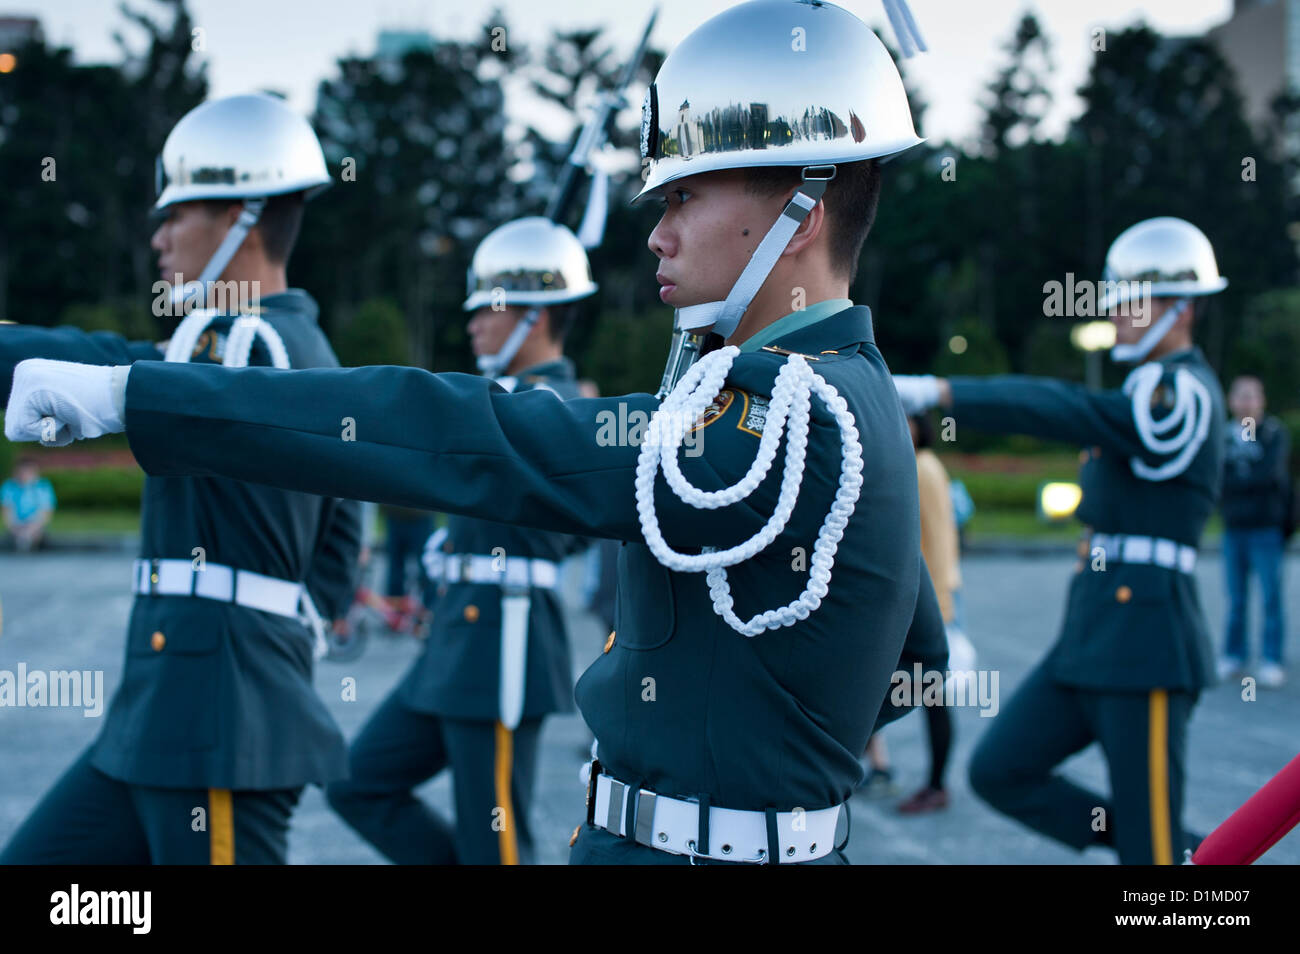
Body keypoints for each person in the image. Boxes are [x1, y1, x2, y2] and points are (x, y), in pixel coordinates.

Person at [6, 0, 947, 866]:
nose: (658, 234)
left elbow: (492, 439)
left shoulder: (792, 412)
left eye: (684, 198)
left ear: (801, 213)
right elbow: (916, 661)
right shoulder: (847, 405)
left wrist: (141, 399)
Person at [0, 93, 360, 865]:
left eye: (178, 215)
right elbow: (342, 538)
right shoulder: (284, 348)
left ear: (245, 215)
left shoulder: (252, 346)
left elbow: (113, 360)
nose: (159, 238)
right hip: (162, 719)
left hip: (221, 722)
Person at [896, 216, 1227, 864]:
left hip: (1149, 636)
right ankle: (1185, 850)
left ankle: (1170, 858)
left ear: (1181, 308)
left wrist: (943, 391)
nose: (1119, 317)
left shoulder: (1183, 392)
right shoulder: (1144, 387)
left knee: (1152, 860)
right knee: (1000, 770)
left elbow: (1066, 409)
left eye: (1135, 302)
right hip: (1094, 627)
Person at [325, 217, 594, 865]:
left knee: (496, 844)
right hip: (455, 639)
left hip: (502, 641)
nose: (472, 323)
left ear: (535, 316)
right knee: (358, 784)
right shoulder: (509, 399)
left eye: (489, 309)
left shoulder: (553, 409)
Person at [896, 412, 965, 815]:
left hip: (929, 599)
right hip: (938, 594)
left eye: (907, 422)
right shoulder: (930, 466)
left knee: (932, 697)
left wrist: (937, 600)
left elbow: (927, 541)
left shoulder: (918, 469)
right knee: (929, 694)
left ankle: (936, 784)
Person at [1219, 375, 1290, 688]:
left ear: (1262, 401)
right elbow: (1217, 480)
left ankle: (1271, 658)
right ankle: (1234, 655)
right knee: (1236, 598)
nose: (1246, 403)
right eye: (1241, 396)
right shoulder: (1224, 436)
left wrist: (1239, 482)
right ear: (1231, 401)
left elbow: (1269, 476)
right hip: (1234, 528)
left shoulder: (1273, 433)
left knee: (1271, 596)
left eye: (1252, 396)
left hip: (1266, 528)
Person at [1, 456, 56, 550]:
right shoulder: (9, 486)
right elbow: (7, 511)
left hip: (36, 525)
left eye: (28, 471)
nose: (24, 474)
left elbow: (46, 512)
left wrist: (32, 529)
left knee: (39, 539)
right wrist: (15, 528)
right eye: (22, 471)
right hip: (16, 525)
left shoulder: (43, 487)